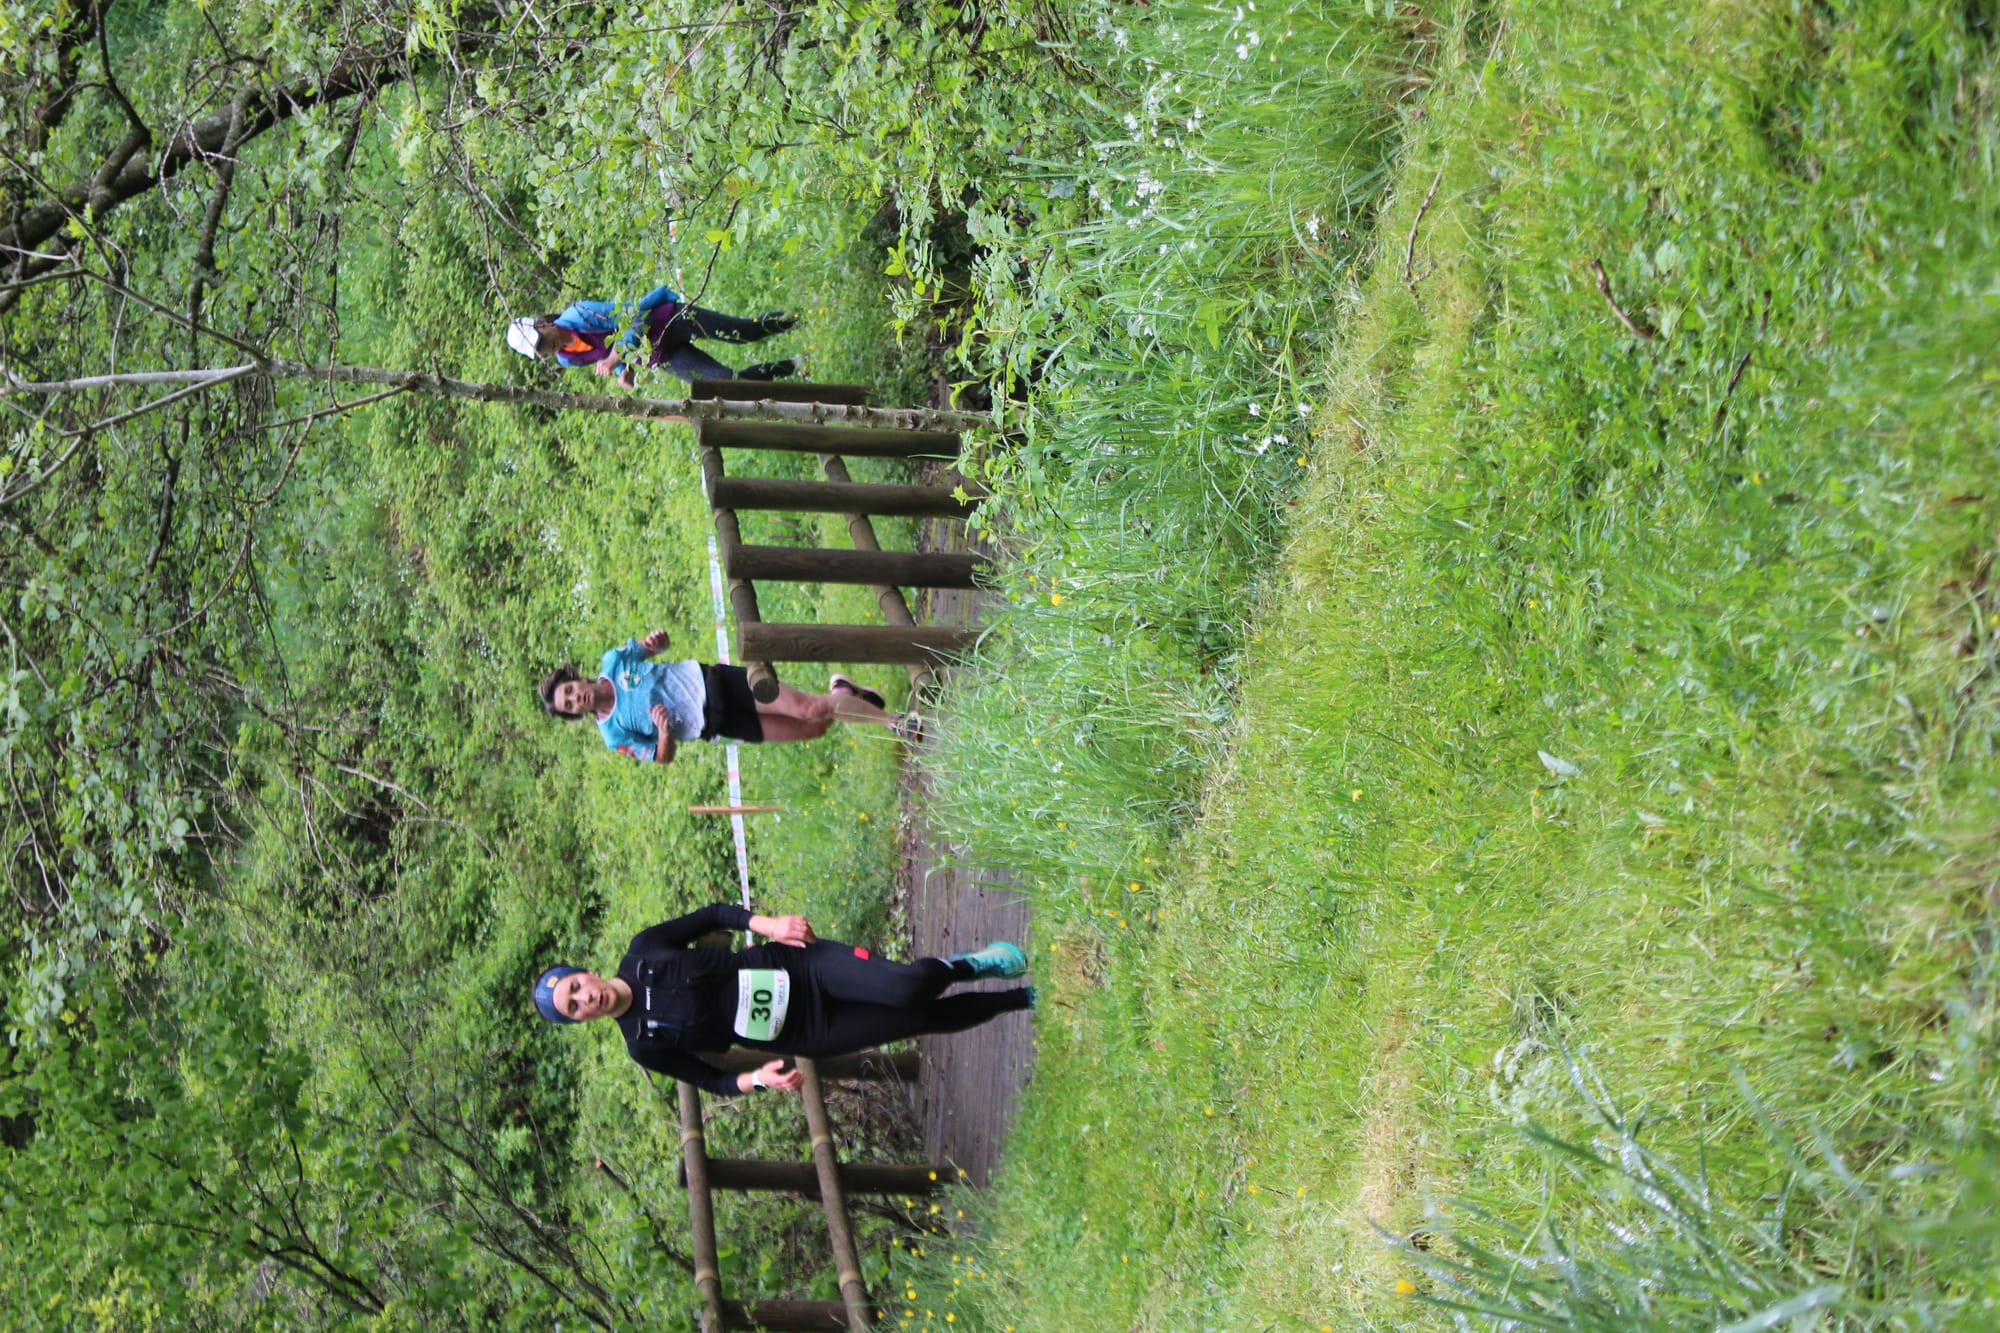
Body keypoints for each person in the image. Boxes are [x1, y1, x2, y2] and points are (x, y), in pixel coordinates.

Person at [532, 902, 1032, 1095]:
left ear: (585, 972)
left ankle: (969, 965)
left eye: (575, 987)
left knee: (905, 988)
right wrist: (757, 1078)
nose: (584, 999)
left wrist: (768, 925)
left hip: (796, 966)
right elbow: (710, 1079)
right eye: (573, 1008)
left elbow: (710, 917)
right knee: (919, 1019)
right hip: (805, 1032)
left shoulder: (645, 951)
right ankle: (1018, 1000)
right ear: (582, 1021)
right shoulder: (642, 1044)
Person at [537, 630, 920, 764]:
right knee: (815, 727)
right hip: (715, 724)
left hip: (714, 682)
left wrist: (657, 643)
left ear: (575, 680)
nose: (575, 699)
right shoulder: (613, 735)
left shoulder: (613, 660)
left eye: (570, 692)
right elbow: (661, 757)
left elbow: (653, 648)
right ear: (574, 714)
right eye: (569, 705)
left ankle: (896, 723)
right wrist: (665, 733)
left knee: (808, 708)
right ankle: (843, 692)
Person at [505, 283, 799, 386]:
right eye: (540, 350)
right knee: (727, 384)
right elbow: (616, 361)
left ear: (543, 324)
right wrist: (624, 371)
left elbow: (633, 317)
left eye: (541, 339)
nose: (547, 347)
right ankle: (794, 365)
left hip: (669, 320)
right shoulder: (569, 360)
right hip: (663, 356)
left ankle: (797, 318)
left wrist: (614, 357)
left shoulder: (580, 313)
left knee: (744, 332)